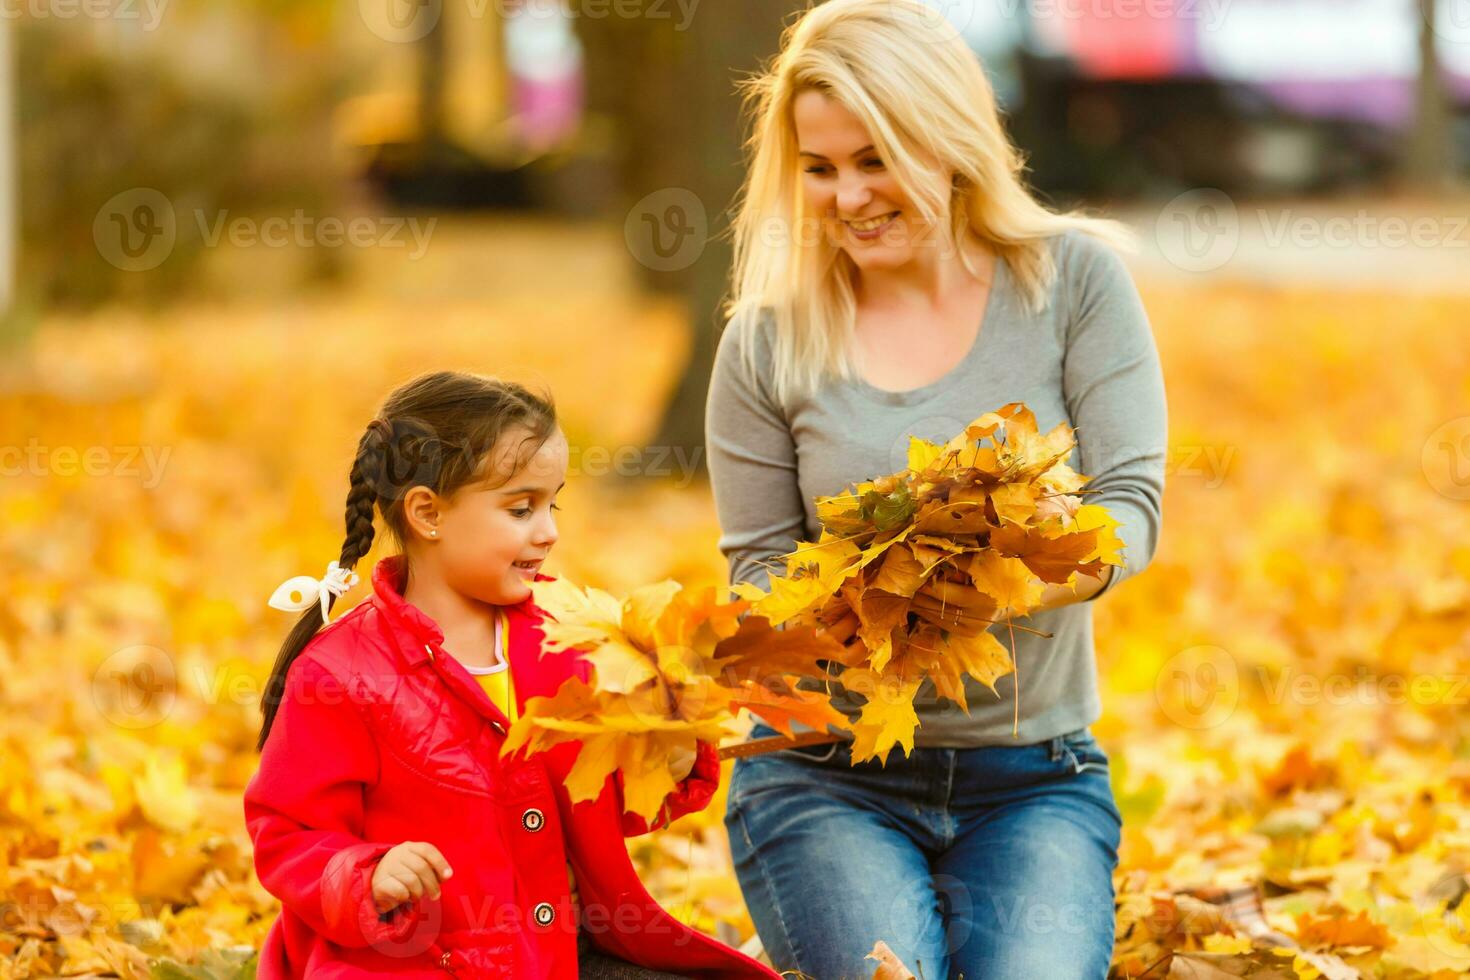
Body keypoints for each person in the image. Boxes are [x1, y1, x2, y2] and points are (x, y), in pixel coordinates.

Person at [705, 1, 1168, 977]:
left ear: (948, 141)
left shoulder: (1071, 281)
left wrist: (1028, 574)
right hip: (824, 775)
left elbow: (1130, 500)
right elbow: (756, 564)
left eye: (875, 159)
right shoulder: (767, 336)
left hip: (1034, 776)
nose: (847, 197)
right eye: (819, 169)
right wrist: (853, 609)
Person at [246, 370, 776, 979]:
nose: (548, 531)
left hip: (560, 957)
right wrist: (369, 875)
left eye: (553, 504)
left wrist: (666, 759)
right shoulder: (341, 674)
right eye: (521, 508)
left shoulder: (566, 633)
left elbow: (592, 803)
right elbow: (288, 833)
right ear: (428, 514)